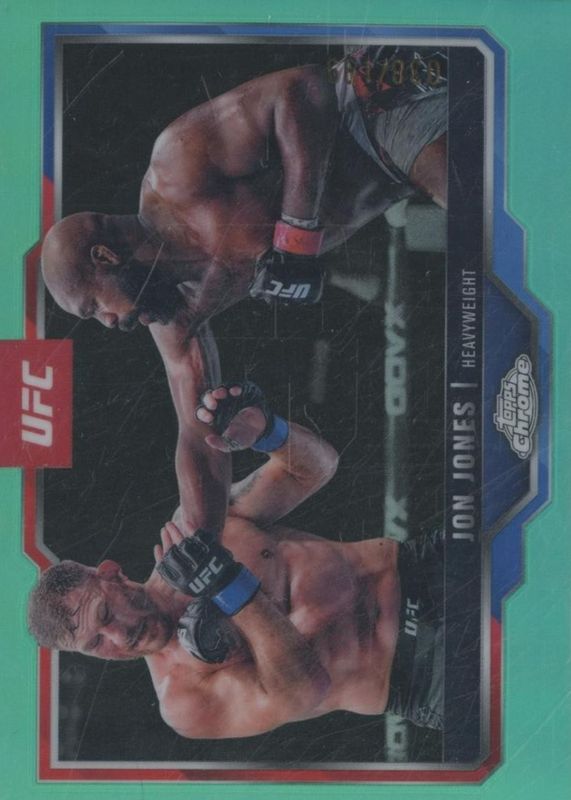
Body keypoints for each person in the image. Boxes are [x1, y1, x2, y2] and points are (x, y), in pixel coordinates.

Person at [28, 380, 444, 738]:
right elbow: (304, 691)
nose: (120, 637)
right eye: (96, 644)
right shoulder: (183, 699)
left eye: (104, 614)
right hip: (421, 678)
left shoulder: (199, 527)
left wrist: (268, 431)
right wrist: (227, 585)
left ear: (110, 574)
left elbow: (316, 467)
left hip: (428, 569)